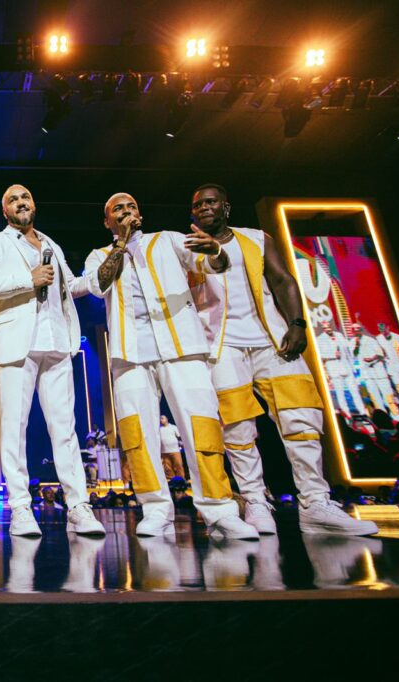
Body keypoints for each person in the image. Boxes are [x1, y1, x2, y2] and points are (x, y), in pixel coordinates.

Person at [188, 183, 377, 536]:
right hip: (221, 346)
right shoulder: (187, 248)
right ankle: (256, 501)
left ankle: (315, 502)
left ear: (226, 207)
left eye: (211, 202)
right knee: (238, 427)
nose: (204, 208)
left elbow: (283, 279)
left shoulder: (256, 238)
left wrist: (298, 323)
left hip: (272, 338)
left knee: (301, 418)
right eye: (198, 205)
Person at [84, 191, 256, 540]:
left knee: (200, 427)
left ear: (140, 213)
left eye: (132, 206)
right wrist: (122, 245)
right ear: (107, 222)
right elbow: (98, 285)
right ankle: (155, 508)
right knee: (137, 433)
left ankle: (219, 509)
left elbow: (210, 265)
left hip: (182, 346)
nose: (127, 211)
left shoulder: (168, 241)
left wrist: (217, 253)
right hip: (129, 354)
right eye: (118, 209)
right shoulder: (99, 255)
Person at [0, 184, 105, 537]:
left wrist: (96, 279)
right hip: (17, 342)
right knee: (13, 428)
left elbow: (69, 286)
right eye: (12, 200)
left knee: (66, 429)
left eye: (25, 197)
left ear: (34, 204)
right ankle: (19, 508)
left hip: (57, 341)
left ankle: (79, 505)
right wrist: (27, 280)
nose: (20, 203)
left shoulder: (51, 244)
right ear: (5, 212)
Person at [315, 320, 366, 418]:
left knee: (355, 391)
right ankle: (347, 415)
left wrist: (355, 344)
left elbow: (347, 349)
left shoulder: (339, 335)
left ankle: (362, 412)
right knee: (340, 393)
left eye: (329, 327)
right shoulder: (319, 339)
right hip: (334, 369)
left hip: (346, 367)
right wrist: (333, 355)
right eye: (325, 328)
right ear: (323, 329)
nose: (328, 329)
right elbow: (320, 355)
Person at [352, 321, 398, 420]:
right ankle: (383, 420)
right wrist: (357, 345)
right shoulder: (352, 342)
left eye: (357, 328)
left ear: (361, 330)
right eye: (353, 329)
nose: (356, 331)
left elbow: (380, 354)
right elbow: (353, 355)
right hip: (367, 375)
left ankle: (397, 418)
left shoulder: (370, 340)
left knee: (388, 397)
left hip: (379, 372)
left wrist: (373, 358)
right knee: (376, 399)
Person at [158, 415, 185, 480]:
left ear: (167, 419)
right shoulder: (159, 429)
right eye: (160, 419)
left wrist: (181, 444)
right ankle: (171, 481)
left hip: (175, 450)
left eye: (162, 418)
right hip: (164, 452)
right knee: (167, 468)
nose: (160, 420)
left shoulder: (173, 427)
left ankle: (181, 480)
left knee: (178, 466)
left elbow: (179, 437)